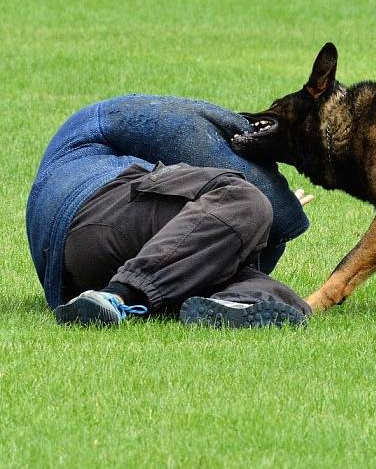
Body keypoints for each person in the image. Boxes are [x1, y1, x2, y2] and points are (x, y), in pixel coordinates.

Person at [26, 94, 312, 327]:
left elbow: (216, 245)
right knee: (244, 199)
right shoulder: (98, 123)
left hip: (81, 272)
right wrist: (282, 209)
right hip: (96, 213)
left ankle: (227, 303)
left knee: (283, 299)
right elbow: (190, 133)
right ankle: (120, 295)